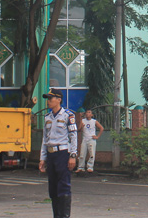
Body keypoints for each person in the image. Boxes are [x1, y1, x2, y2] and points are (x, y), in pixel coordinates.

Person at [39, 89, 77, 218]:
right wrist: (42, 158)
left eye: (51, 98)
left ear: (59, 100)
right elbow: (45, 139)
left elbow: (73, 136)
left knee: (64, 186)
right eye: (47, 99)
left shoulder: (67, 115)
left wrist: (73, 155)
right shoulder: (47, 117)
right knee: (53, 188)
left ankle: (64, 216)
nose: (48, 101)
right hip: (51, 154)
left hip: (63, 153)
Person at [76, 109, 103, 174]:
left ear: (91, 115)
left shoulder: (94, 121)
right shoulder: (83, 120)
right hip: (85, 139)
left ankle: (90, 167)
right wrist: (81, 125)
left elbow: (101, 128)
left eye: (89, 112)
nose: (87, 113)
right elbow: (79, 129)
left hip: (91, 139)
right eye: (87, 112)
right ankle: (80, 167)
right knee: (82, 153)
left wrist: (97, 136)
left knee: (91, 153)